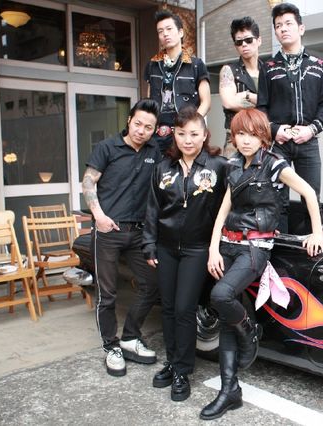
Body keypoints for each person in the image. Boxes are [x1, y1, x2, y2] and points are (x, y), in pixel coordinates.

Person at [199, 109, 323, 420]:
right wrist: (213, 248)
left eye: (252, 134)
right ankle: (229, 390)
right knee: (226, 314)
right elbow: (224, 210)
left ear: (263, 137)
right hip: (228, 244)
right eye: (240, 134)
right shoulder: (233, 165)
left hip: (255, 248)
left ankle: (250, 331)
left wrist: (317, 232)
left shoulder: (274, 164)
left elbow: (308, 192)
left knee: (220, 296)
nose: (245, 140)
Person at [143, 106, 228, 401]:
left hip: (197, 249)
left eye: (194, 134)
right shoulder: (163, 168)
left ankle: (182, 370)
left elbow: (229, 206)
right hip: (166, 248)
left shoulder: (219, 166)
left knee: (184, 309)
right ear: (174, 136)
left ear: (205, 135)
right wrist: (149, 244)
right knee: (167, 308)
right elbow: (152, 209)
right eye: (181, 134)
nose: (187, 140)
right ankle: (172, 361)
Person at [82, 99, 162, 377]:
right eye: (138, 124)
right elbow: (88, 181)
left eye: (148, 127)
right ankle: (110, 346)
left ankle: (130, 337)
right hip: (108, 231)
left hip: (139, 232)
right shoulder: (107, 147)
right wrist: (99, 216)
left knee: (151, 285)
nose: (142, 130)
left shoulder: (154, 151)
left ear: (154, 130)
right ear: (129, 120)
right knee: (107, 294)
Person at [257, 2, 323, 233]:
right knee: (277, 199)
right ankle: (280, 247)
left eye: (288, 23)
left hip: (308, 141)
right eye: (278, 25)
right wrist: (274, 130)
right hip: (279, 143)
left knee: (311, 196)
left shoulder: (319, 66)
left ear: (301, 28)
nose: (283, 28)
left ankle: (313, 242)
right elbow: (262, 107)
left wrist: (311, 129)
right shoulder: (268, 67)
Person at [145, 9, 211, 154]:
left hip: (185, 133)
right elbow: (149, 101)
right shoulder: (152, 65)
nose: (165, 34)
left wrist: (191, 127)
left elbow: (206, 102)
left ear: (180, 32)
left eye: (169, 29)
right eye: (160, 31)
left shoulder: (196, 64)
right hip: (159, 134)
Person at [219, 16, 265, 159]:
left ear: (259, 40)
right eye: (239, 42)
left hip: (263, 136)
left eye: (248, 40)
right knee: (232, 172)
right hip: (235, 137)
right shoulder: (229, 70)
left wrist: (247, 96)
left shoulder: (268, 71)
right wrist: (263, 104)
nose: (244, 45)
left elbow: (276, 104)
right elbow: (228, 103)